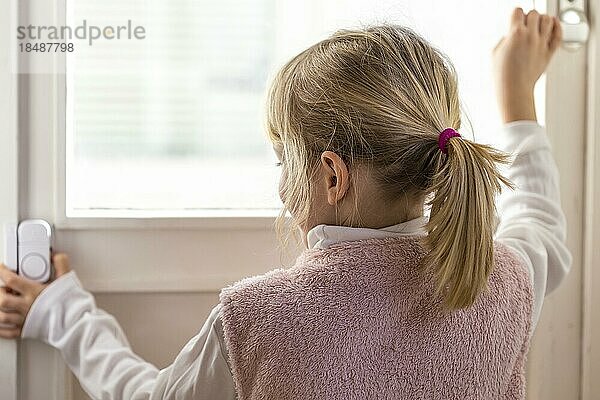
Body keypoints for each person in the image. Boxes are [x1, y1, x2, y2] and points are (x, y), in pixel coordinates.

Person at [0, 7, 571, 400]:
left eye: (283, 161)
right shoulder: (500, 278)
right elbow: (540, 222)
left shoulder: (259, 320)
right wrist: (519, 97)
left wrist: (64, 313)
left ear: (331, 176)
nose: (280, 185)